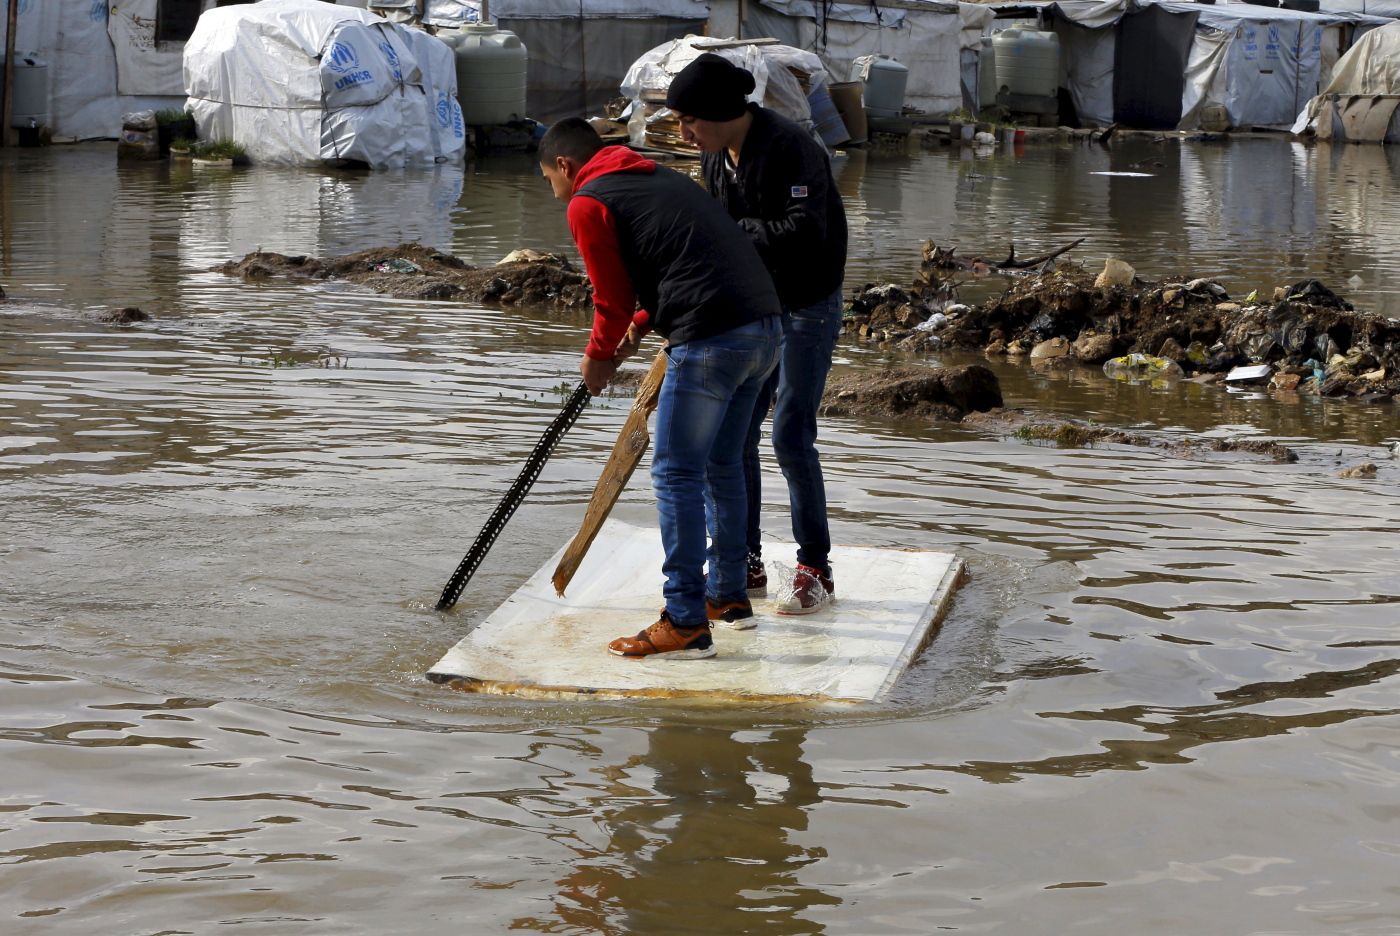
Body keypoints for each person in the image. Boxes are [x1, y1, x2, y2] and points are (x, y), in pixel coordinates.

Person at [538, 117, 781, 659]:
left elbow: (608, 297)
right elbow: (686, 263)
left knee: (675, 474)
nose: (555, 194)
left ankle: (686, 620)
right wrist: (642, 323)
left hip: (712, 339)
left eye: (549, 181)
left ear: (564, 166)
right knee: (722, 464)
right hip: (765, 331)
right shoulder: (659, 177)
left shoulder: (587, 200)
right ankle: (727, 596)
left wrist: (599, 355)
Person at [666, 53, 849, 616]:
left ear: (721, 113)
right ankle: (743, 556)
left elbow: (804, 231)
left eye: (689, 121)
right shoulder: (717, 159)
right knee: (735, 437)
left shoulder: (791, 147)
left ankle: (814, 565)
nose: (683, 132)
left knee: (790, 433)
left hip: (806, 304)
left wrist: (733, 232)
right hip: (753, 309)